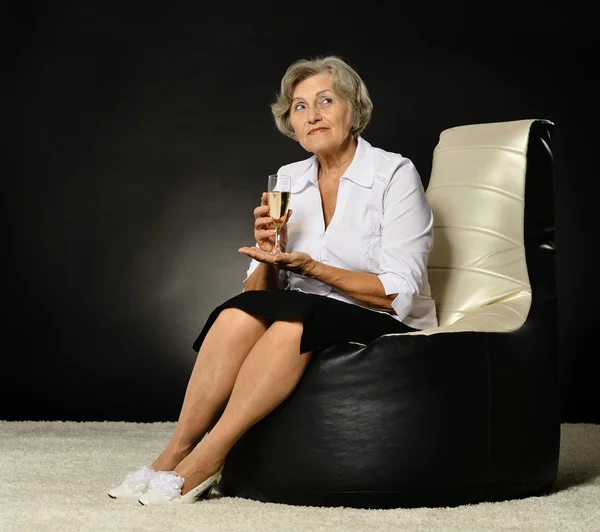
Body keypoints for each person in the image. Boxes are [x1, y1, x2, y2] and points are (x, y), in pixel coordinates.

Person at [108, 55, 438, 505]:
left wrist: (309, 269)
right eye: (299, 107)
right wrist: (268, 255)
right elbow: (258, 296)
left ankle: (210, 456)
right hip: (309, 312)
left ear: (353, 108)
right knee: (237, 313)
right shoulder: (288, 180)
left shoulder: (394, 175)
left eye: (325, 100)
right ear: (291, 122)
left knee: (293, 323)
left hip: (378, 315)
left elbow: (399, 291)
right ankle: (174, 451)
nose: (313, 115)